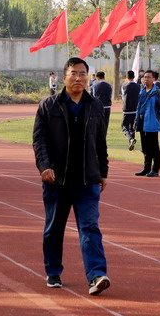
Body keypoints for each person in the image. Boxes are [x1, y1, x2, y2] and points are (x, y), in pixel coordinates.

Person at [32, 57, 110, 295]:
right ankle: (53, 271)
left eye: (83, 74)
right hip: (57, 180)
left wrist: (103, 171)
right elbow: (39, 140)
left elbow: (100, 142)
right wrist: (44, 166)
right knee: (54, 228)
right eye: (74, 74)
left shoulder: (95, 106)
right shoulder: (49, 106)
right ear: (64, 77)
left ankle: (97, 275)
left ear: (88, 77)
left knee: (90, 227)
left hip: (87, 180)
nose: (79, 78)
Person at [134, 69, 160, 177]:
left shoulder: (157, 92)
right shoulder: (142, 91)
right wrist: (136, 120)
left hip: (152, 121)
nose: (146, 79)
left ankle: (155, 169)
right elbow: (139, 107)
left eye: (148, 77)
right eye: (145, 77)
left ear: (153, 79)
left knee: (154, 146)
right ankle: (146, 168)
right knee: (145, 146)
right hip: (142, 120)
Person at [120, 70, 140, 151]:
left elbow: (123, 97)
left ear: (126, 77)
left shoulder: (124, 86)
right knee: (132, 127)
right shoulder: (138, 86)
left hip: (127, 109)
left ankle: (131, 139)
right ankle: (131, 143)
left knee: (124, 126)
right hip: (135, 109)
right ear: (134, 77)